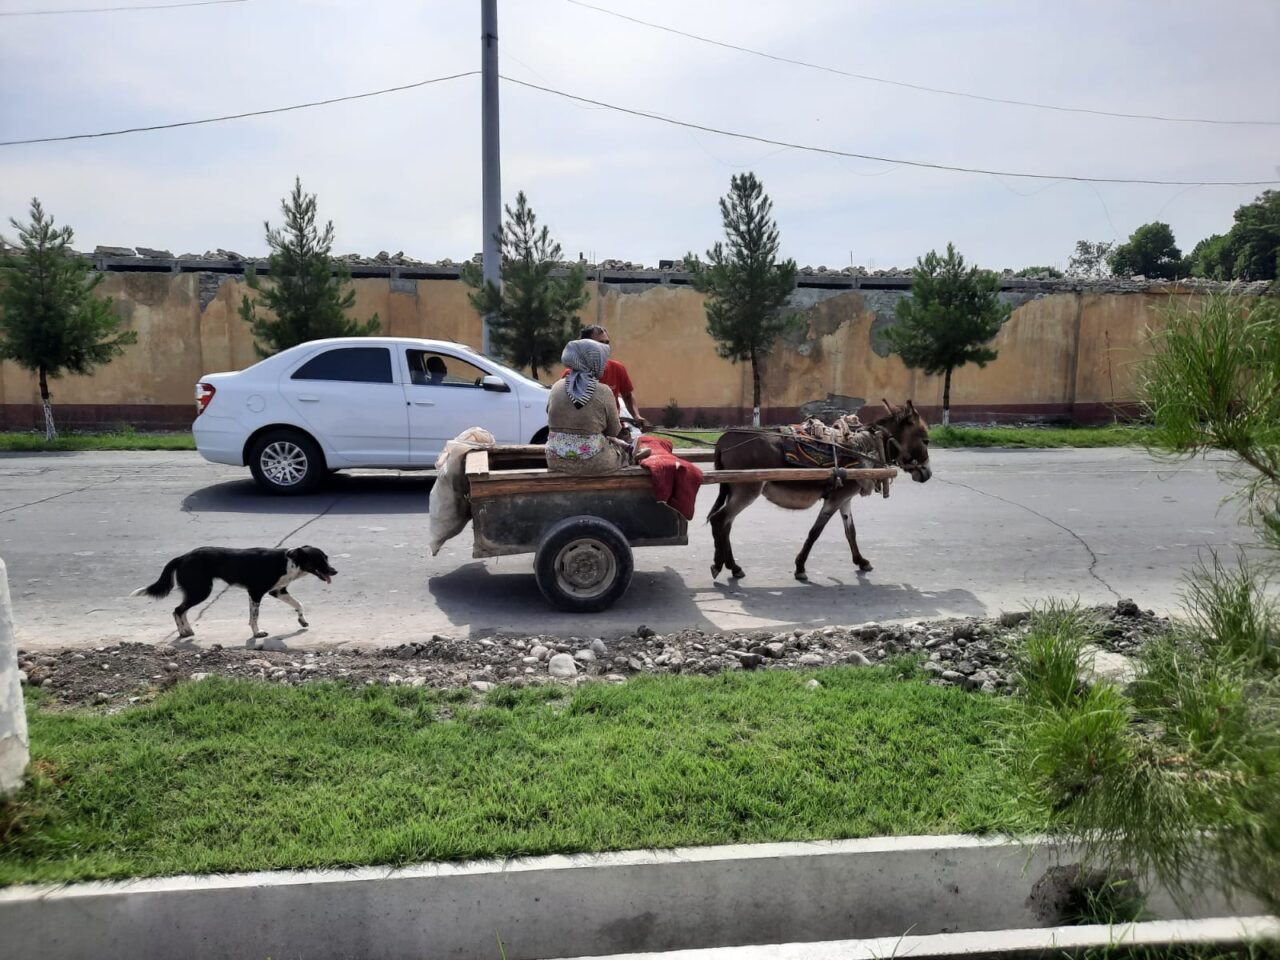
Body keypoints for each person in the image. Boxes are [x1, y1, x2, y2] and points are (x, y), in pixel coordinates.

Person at [546, 339, 649, 475]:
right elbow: (613, 431)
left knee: (600, 439)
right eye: (602, 359)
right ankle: (629, 456)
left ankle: (628, 450)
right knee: (615, 450)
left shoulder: (556, 386)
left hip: (555, 459)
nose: (604, 364)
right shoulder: (603, 390)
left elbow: (550, 415)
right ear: (593, 361)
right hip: (592, 462)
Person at [562, 325, 646, 431]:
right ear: (585, 346)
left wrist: (636, 416)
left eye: (607, 343)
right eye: (600, 343)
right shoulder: (570, 376)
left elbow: (628, 395)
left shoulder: (617, 368)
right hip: (583, 431)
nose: (606, 348)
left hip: (612, 430)